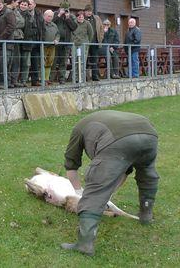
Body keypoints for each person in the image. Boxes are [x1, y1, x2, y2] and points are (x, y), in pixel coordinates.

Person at [61, 110, 159, 256]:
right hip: (149, 135)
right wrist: (108, 194)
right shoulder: (98, 121)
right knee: (147, 175)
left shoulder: (78, 129)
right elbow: (125, 170)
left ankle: (84, 244)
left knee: (96, 188)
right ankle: (146, 216)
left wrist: (81, 193)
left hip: (117, 140)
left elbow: (71, 166)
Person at [51, 0, 77, 84]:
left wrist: (67, 18)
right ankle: (51, 79)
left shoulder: (71, 16)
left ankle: (62, 79)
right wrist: (59, 15)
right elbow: (51, 23)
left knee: (63, 61)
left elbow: (74, 27)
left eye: (66, 9)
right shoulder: (55, 14)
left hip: (66, 42)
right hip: (55, 42)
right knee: (53, 61)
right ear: (60, 8)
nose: (64, 10)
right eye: (63, 8)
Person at [26, 0, 45, 86]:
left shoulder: (39, 14)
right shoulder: (24, 13)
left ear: (34, 5)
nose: (29, 5)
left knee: (35, 62)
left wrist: (42, 39)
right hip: (26, 41)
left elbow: (43, 28)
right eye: (28, 4)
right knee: (24, 62)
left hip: (37, 41)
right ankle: (22, 81)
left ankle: (35, 80)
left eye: (31, 4)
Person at [72, 11, 94, 81]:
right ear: (77, 17)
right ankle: (75, 78)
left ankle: (82, 78)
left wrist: (87, 43)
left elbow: (91, 34)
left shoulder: (87, 24)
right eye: (79, 17)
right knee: (74, 61)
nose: (80, 18)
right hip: (75, 45)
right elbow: (71, 33)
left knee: (82, 62)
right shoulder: (74, 23)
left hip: (83, 45)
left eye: (82, 17)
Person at [84, 5, 104, 81]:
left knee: (95, 60)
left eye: (90, 11)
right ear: (85, 11)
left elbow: (101, 28)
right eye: (87, 11)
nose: (89, 12)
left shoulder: (97, 18)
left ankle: (95, 76)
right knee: (84, 60)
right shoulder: (83, 18)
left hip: (95, 42)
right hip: (85, 43)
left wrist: (100, 38)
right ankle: (84, 76)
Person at [42, 10, 60, 83]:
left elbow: (58, 34)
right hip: (43, 46)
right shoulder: (41, 24)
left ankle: (47, 79)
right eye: (48, 16)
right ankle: (42, 79)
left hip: (52, 46)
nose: (50, 18)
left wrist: (56, 40)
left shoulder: (54, 25)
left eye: (51, 16)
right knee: (42, 62)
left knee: (50, 62)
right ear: (44, 16)